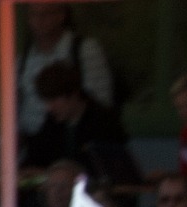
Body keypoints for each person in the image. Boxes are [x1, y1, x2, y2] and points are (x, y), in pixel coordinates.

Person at [23, 61, 139, 184]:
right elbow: (38, 153)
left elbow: (107, 170)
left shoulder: (104, 122)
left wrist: (51, 173)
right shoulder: (53, 123)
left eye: (54, 100)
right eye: (47, 101)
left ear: (73, 95)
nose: (49, 107)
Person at [18, 3, 115, 140]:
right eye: (33, 15)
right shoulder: (25, 56)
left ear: (61, 16)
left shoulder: (84, 50)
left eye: (45, 14)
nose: (39, 20)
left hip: (72, 142)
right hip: (33, 143)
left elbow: (101, 103)